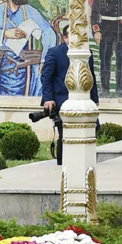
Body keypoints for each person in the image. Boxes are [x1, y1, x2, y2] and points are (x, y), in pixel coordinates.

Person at [40, 17, 99, 166]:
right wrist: (48, 98)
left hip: (83, 99)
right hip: (60, 98)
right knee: (64, 130)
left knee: (94, 127)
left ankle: (82, 160)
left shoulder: (86, 52)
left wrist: (95, 98)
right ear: (65, 38)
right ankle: (64, 162)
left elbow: (91, 76)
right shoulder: (54, 52)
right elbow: (46, 77)